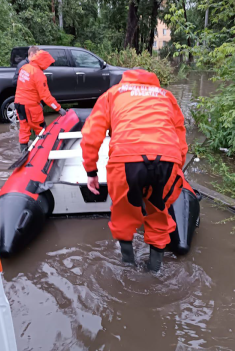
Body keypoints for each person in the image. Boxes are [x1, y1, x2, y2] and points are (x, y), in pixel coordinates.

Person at [80, 69, 187, 272]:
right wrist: (177, 167)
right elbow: (180, 134)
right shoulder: (166, 96)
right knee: (158, 213)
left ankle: (127, 267)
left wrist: (91, 171)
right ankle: (155, 270)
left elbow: (91, 135)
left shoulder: (113, 94)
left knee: (123, 214)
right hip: (167, 160)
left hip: (125, 160)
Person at [14, 49, 66, 152]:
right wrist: (59, 109)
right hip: (30, 106)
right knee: (41, 129)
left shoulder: (24, 68)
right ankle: (42, 151)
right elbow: (46, 97)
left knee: (24, 128)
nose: (48, 66)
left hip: (18, 103)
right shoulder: (39, 75)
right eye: (48, 63)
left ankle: (23, 151)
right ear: (43, 61)